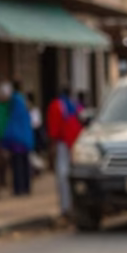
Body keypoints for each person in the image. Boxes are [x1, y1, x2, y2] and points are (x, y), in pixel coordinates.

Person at [46, 86, 83, 224]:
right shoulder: (77, 106)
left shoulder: (56, 106)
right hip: (77, 143)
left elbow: (53, 129)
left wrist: (52, 147)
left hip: (64, 144)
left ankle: (66, 208)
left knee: (63, 177)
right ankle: (73, 206)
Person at [2, 81, 34, 196]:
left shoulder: (14, 101)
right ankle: (25, 187)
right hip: (25, 139)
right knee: (24, 164)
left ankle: (19, 188)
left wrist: (5, 141)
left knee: (17, 165)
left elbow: (11, 121)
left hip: (16, 140)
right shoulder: (23, 100)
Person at [0, 81, 13, 197]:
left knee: (2, 162)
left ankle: (0, 185)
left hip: (3, 139)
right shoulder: (2, 106)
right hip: (1, 139)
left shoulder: (6, 106)